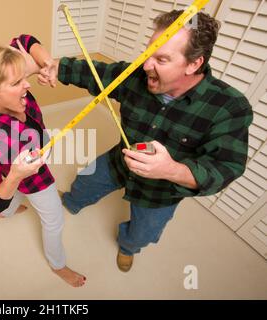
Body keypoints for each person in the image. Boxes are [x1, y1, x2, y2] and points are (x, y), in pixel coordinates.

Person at [35, 10, 253, 272]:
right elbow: (96, 73)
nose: (146, 65)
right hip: (120, 161)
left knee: (143, 232)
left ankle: (127, 248)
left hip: (160, 193)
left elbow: (225, 168)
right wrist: (56, 68)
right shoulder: (139, 75)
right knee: (85, 181)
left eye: (161, 59)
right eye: (148, 52)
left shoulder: (229, 107)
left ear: (194, 64)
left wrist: (171, 170)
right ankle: (72, 202)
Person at [0, 35, 86, 287]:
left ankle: (8, 210)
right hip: (31, 176)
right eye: (18, 82)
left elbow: (24, 39)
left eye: (24, 77)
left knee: (9, 198)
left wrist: (46, 62)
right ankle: (58, 265)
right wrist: (17, 175)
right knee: (53, 220)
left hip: (34, 145)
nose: (27, 85)